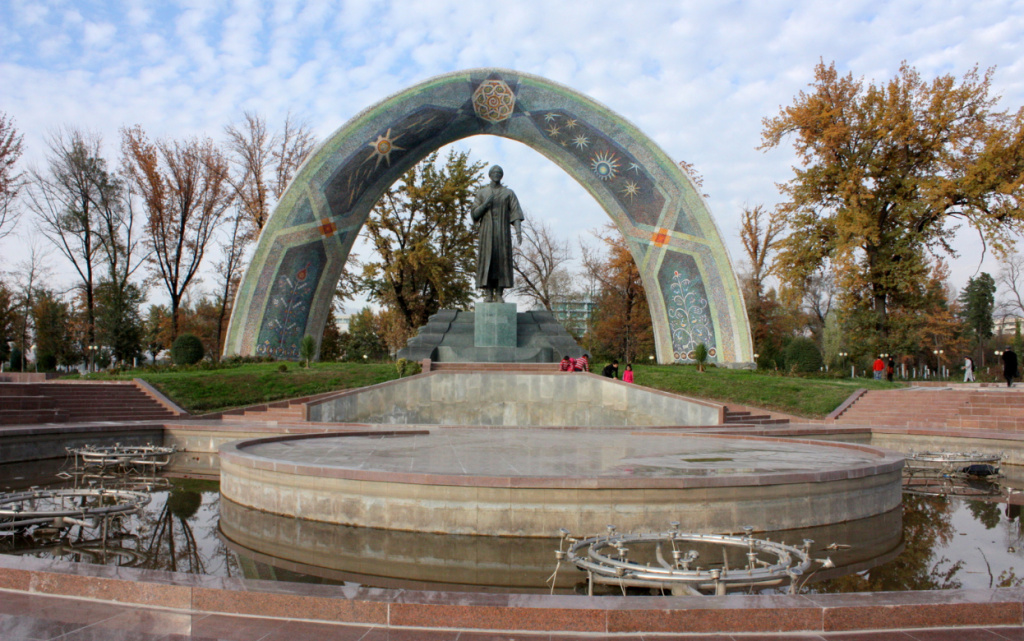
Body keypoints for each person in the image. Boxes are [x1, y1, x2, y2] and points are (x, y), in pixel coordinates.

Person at [471, 165, 523, 303]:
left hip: (503, 232)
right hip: (486, 232)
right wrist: (485, 205)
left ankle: (499, 293)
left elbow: (516, 213)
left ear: (502, 175)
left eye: (499, 172)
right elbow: (475, 214)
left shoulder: (508, 193)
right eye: (494, 172)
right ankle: (488, 293)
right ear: (489, 174)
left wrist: (518, 230)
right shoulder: (482, 193)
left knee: (501, 261)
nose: (497, 174)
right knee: (488, 259)